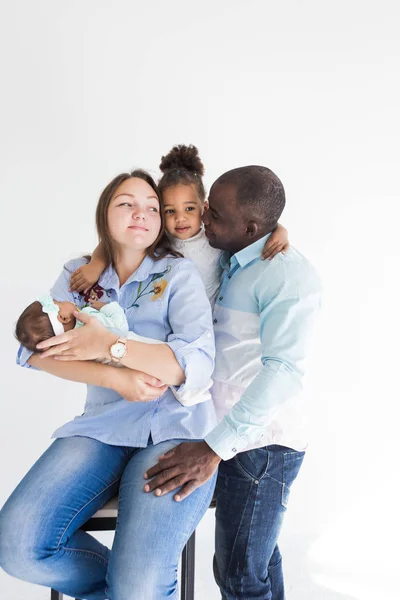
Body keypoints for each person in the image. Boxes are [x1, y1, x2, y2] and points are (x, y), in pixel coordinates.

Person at [0, 169, 218, 600]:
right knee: (17, 546)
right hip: (102, 427)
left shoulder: (179, 274)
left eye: (152, 207)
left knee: (138, 587)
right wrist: (113, 377)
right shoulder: (77, 275)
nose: (142, 213)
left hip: (176, 432)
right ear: (105, 216)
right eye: (126, 203)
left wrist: (109, 346)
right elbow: (37, 350)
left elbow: (191, 365)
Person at [143, 165, 322, 599]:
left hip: (262, 447)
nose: (204, 219)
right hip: (229, 437)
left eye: (214, 214)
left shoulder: (285, 275)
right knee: (252, 564)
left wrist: (212, 449)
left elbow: (282, 373)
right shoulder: (232, 252)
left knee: (240, 575)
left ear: (250, 227)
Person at [68, 145, 290, 307]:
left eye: (189, 209)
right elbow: (115, 244)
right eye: (170, 211)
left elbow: (249, 229)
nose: (180, 219)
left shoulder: (215, 239)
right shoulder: (158, 238)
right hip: (163, 313)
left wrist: (279, 230)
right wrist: (96, 264)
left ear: (204, 208)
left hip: (209, 323)